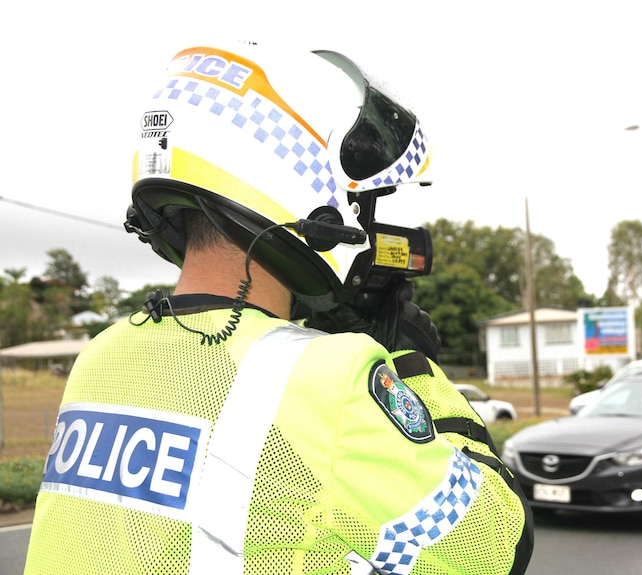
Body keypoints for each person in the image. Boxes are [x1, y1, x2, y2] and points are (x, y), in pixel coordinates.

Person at [23, 40, 533, 574]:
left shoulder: (101, 357)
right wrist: (415, 368)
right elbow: (497, 546)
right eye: (364, 202)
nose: (365, 225)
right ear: (306, 190)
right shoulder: (325, 376)